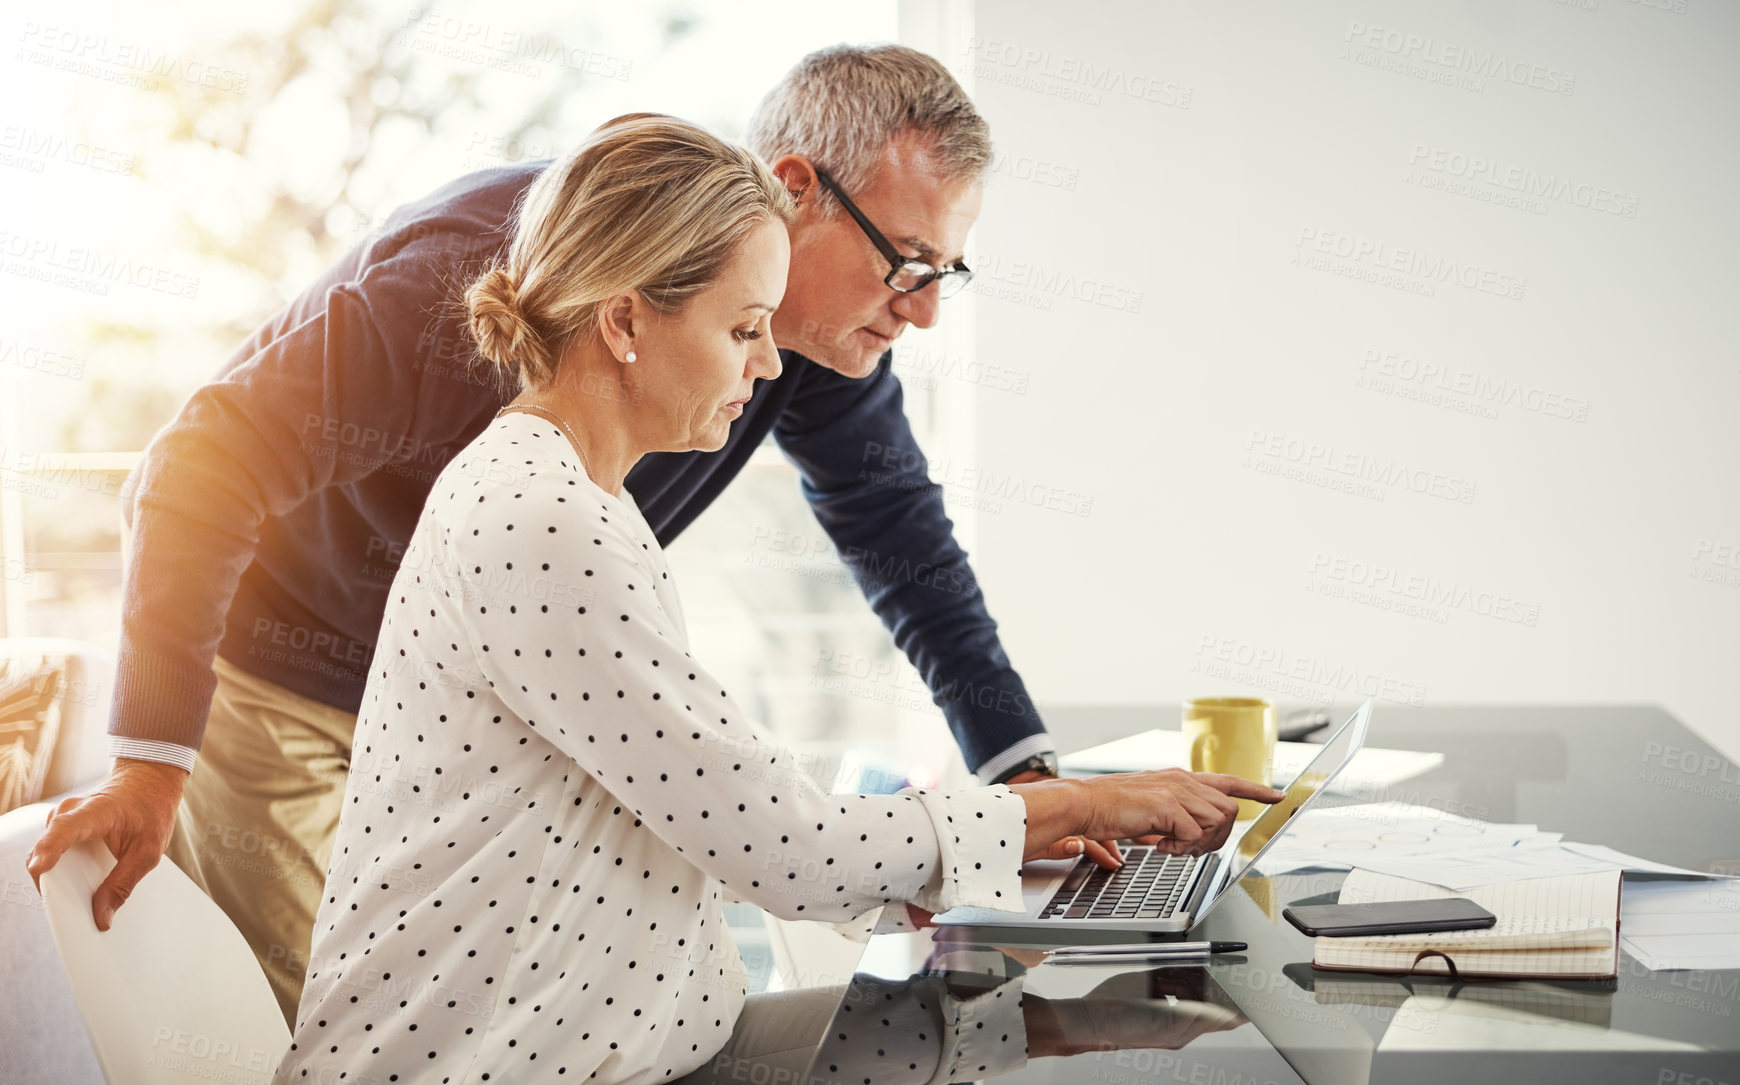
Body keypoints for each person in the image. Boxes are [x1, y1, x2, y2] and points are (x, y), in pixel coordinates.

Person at [27, 45, 1117, 1023]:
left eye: (944, 273)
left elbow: (907, 547)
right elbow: (194, 467)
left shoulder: (810, 344)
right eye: (907, 260)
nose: (922, 308)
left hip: (482, 704)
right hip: (284, 668)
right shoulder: (470, 287)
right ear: (796, 190)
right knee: (346, 1013)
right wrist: (150, 753)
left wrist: (1027, 780)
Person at [271, 114, 1281, 1085]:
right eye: (744, 327)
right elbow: (786, 847)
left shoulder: (574, 494)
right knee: (1085, 1039)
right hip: (520, 1064)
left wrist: (955, 851)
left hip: (630, 1041)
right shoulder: (543, 522)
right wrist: (1064, 806)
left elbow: (739, 804)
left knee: (1039, 1031)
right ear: (624, 320)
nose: (764, 365)